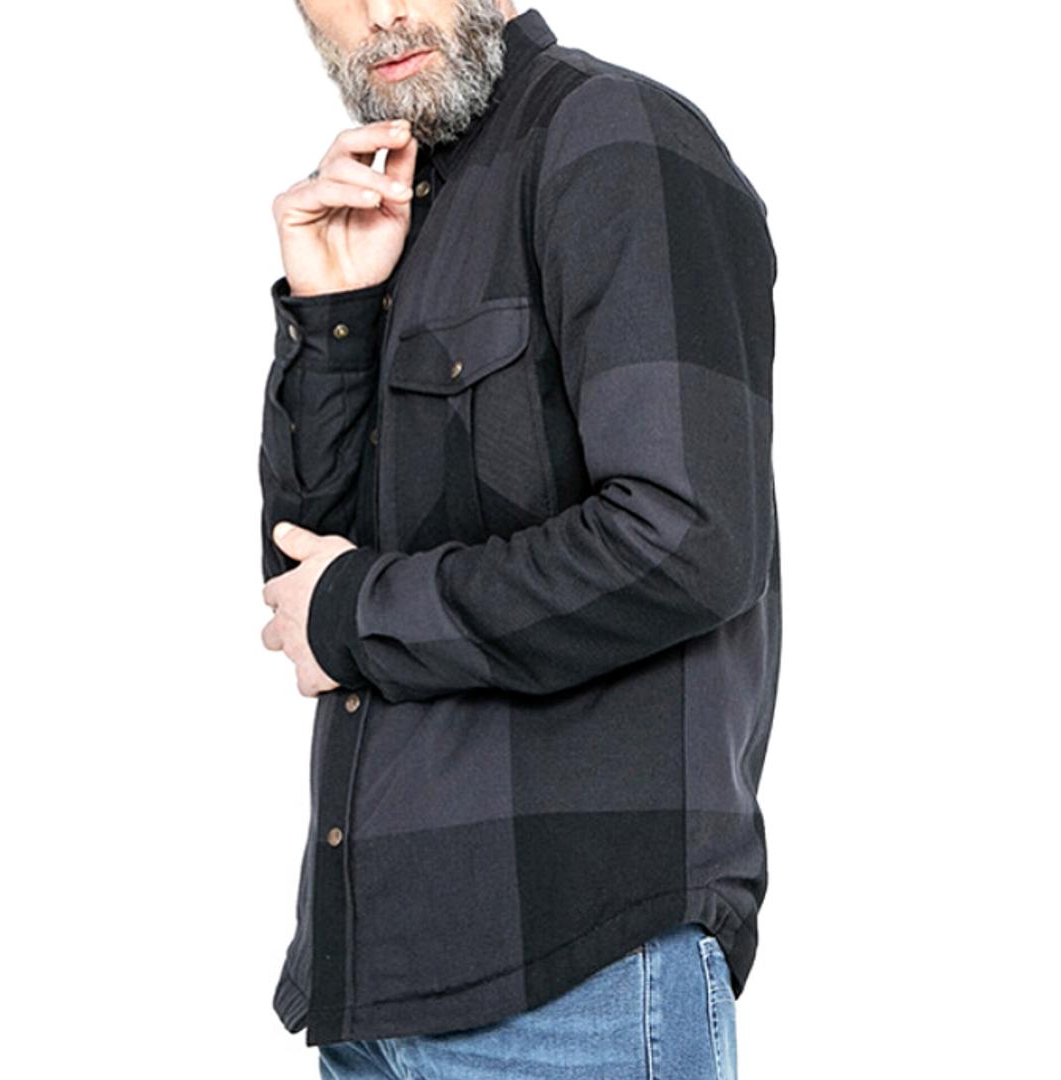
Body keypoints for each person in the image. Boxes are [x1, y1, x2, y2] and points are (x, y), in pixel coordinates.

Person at [258, 2, 780, 1076]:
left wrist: (360, 611)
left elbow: (687, 536)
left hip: (574, 979)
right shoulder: (397, 201)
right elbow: (305, 579)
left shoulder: (614, 137)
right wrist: (333, 318)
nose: (379, 11)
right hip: (375, 988)